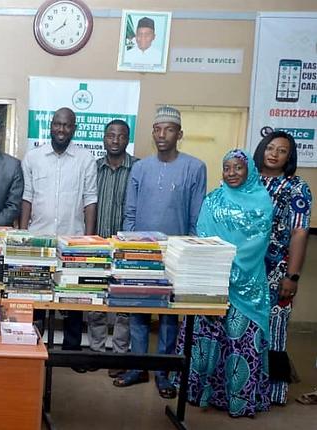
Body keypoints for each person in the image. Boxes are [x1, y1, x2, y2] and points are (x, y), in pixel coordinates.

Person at [117, 106, 206, 399]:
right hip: (141, 251)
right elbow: (130, 211)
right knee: (138, 311)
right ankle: (137, 367)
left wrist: (191, 252)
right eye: (157, 129)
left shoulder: (195, 167)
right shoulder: (140, 168)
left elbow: (196, 214)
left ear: (179, 134)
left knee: (170, 316)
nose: (162, 135)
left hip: (177, 253)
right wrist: (129, 245)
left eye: (168, 129)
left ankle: (163, 374)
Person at [183, 149, 273, 417]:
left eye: (238, 168)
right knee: (207, 337)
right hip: (214, 280)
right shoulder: (214, 199)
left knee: (240, 341)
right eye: (227, 168)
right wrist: (217, 265)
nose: (232, 173)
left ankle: (239, 400)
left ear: (249, 171)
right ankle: (201, 393)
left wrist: (231, 266)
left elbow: (257, 242)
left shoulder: (262, 202)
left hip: (247, 285)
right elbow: (203, 234)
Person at [20, 107, 97, 364]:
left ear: (73, 128)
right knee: (35, 296)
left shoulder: (86, 160)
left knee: (74, 299)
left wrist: (87, 241)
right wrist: (23, 235)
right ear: (50, 126)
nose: (61, 129)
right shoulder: (33, 157)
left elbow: (90, 201)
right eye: (57, 124)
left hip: (72, 241)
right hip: (38, 239)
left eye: (66, 125)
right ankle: (32, 348)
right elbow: (27, 197)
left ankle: (72, 353)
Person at [253, 130, 312, 405]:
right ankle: (244, 387)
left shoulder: (297, 187)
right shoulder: (247, 180)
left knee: (274, 331)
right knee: (244, 330)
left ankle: (274, 393)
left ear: (290, 156)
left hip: (278, 271)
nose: (274, 154)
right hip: (244, 271)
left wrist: (293, 275)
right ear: (262, 149)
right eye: (270, 148)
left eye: (282, 150)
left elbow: (300, 232)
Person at [87, 119, 138, 377]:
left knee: (124, 305)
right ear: (104, 139)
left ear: (127, 139)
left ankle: (119, 355)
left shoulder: (138, 169)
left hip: (128, 249)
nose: (115, 140)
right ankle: (95, 351)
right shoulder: (94, 168)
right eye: (110, 136)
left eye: (120, 136)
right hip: (97, 245)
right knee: (96, 300)